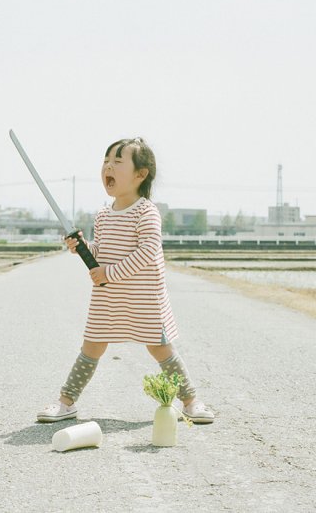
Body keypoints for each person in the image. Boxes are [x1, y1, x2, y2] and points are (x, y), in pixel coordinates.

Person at [37, 137, 214, 424]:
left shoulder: (146, 211)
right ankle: (66, 401)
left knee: (160, 348)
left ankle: (191, 401)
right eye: (106, 161)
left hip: (143, 298)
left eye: (118, 162)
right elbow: (101, 254)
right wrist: (83, 247)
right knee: (91, 346)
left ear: (140, 175)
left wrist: (108, 273)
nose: (108, 166)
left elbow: (147, 252)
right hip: (109, 298)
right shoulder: (103, 214)